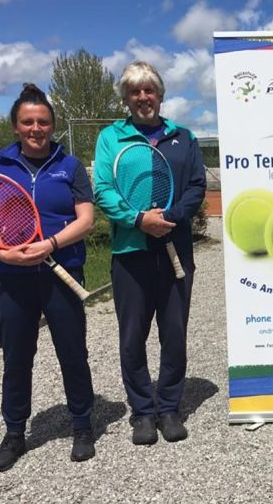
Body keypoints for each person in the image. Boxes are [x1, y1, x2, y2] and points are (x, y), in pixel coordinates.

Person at [0, 83, 96, 472]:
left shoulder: (70, 165)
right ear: (16, 126)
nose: (36, 129)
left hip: (62, 273)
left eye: (43, 122)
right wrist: (2, 251)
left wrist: (51, 243)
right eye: (28, 122)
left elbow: (86, 220)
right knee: (16, 358)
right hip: (11, 277)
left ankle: (83, 425)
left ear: (52, 125)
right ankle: (15, 433)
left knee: (73, 353)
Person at [93, 61, 206, 445]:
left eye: (149, 90)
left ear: (160, 94)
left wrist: (169, 217)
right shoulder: (111, 138)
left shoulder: (183, 138)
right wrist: (139, 219)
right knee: (132, 337)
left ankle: (170, 407)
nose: (143, 97)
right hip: (131, 252)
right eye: (135, 91)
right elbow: (103, 189)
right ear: (126, 98)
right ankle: (143, 411)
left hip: (176, 251)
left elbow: (196, 186)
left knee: (174, 334)